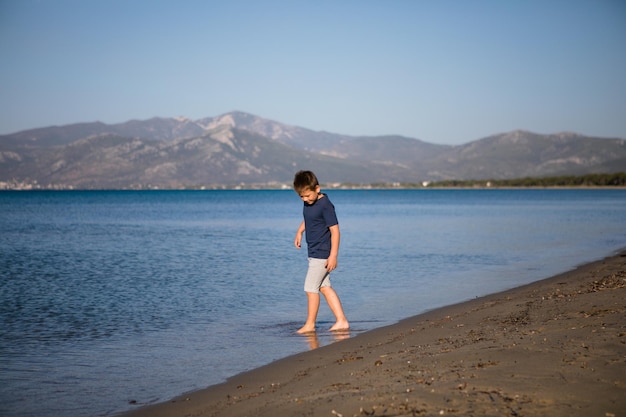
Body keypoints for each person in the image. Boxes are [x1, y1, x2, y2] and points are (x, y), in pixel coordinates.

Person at [293, 170, 349, 334]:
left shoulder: (325, 205)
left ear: (317, 189)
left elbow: (335, 231)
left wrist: (333, 256)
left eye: (307, 195)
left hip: (322, 253)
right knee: (325, 287)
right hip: (314, 251)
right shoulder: (309, 202)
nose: (305, 199)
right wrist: (299, 231)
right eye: (301, 197)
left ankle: (310, 324)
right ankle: (341, 321)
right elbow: (309, 218)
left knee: (310, 289)